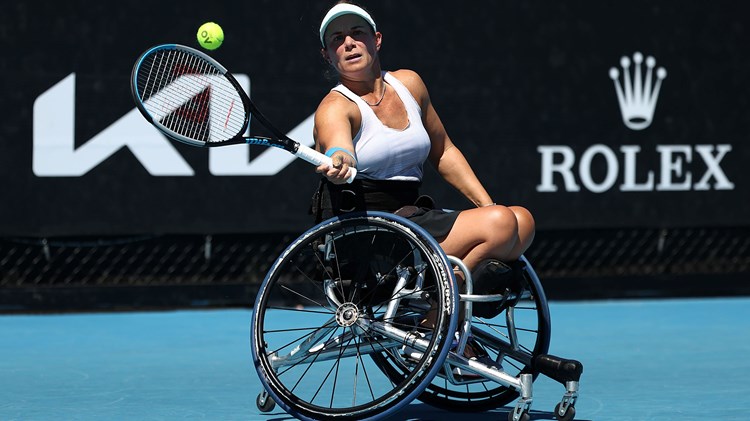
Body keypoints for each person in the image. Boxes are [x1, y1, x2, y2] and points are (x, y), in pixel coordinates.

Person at [312, 1, 535, 281]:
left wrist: (486, 206)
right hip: (371, 234)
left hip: (412, 218)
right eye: (337, 39)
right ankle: (442, 298)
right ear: (327, 55)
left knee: (521, 222)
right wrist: (341, 160)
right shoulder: (334, 107)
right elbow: (339, 147)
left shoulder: (409, 84)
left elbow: (444, 151)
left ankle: (437, 301)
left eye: (357, 33)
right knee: (502, 224)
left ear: (376, 40)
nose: (349, 43)